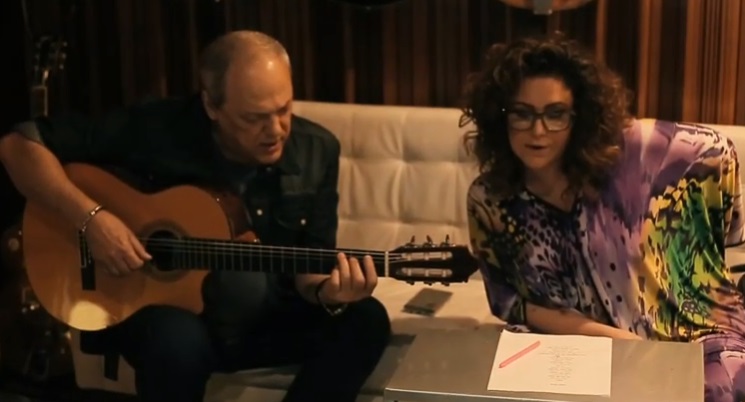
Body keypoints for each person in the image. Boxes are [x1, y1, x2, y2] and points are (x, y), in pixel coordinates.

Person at [0, 30, 391, 402]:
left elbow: (311, 271)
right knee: (175, 343)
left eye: (284, 109)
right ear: (211, 106)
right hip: (173, 320)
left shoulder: (318, 150)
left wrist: (330, 294)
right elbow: (18, 146)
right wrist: (91, 220)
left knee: (366, 319)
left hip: (268, 319)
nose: (276, 130)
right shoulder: (157, 128)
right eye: (253, 118)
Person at [461, 34, 745, 402]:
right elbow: (511, 303)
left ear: (579, 116)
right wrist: (617, 340)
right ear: (500, 116)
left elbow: (718, 150)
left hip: (695, 340)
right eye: (522, 113)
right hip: (574, 348)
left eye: (555, 114)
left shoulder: (642, 155)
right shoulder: (489, 199)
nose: (538, 131)